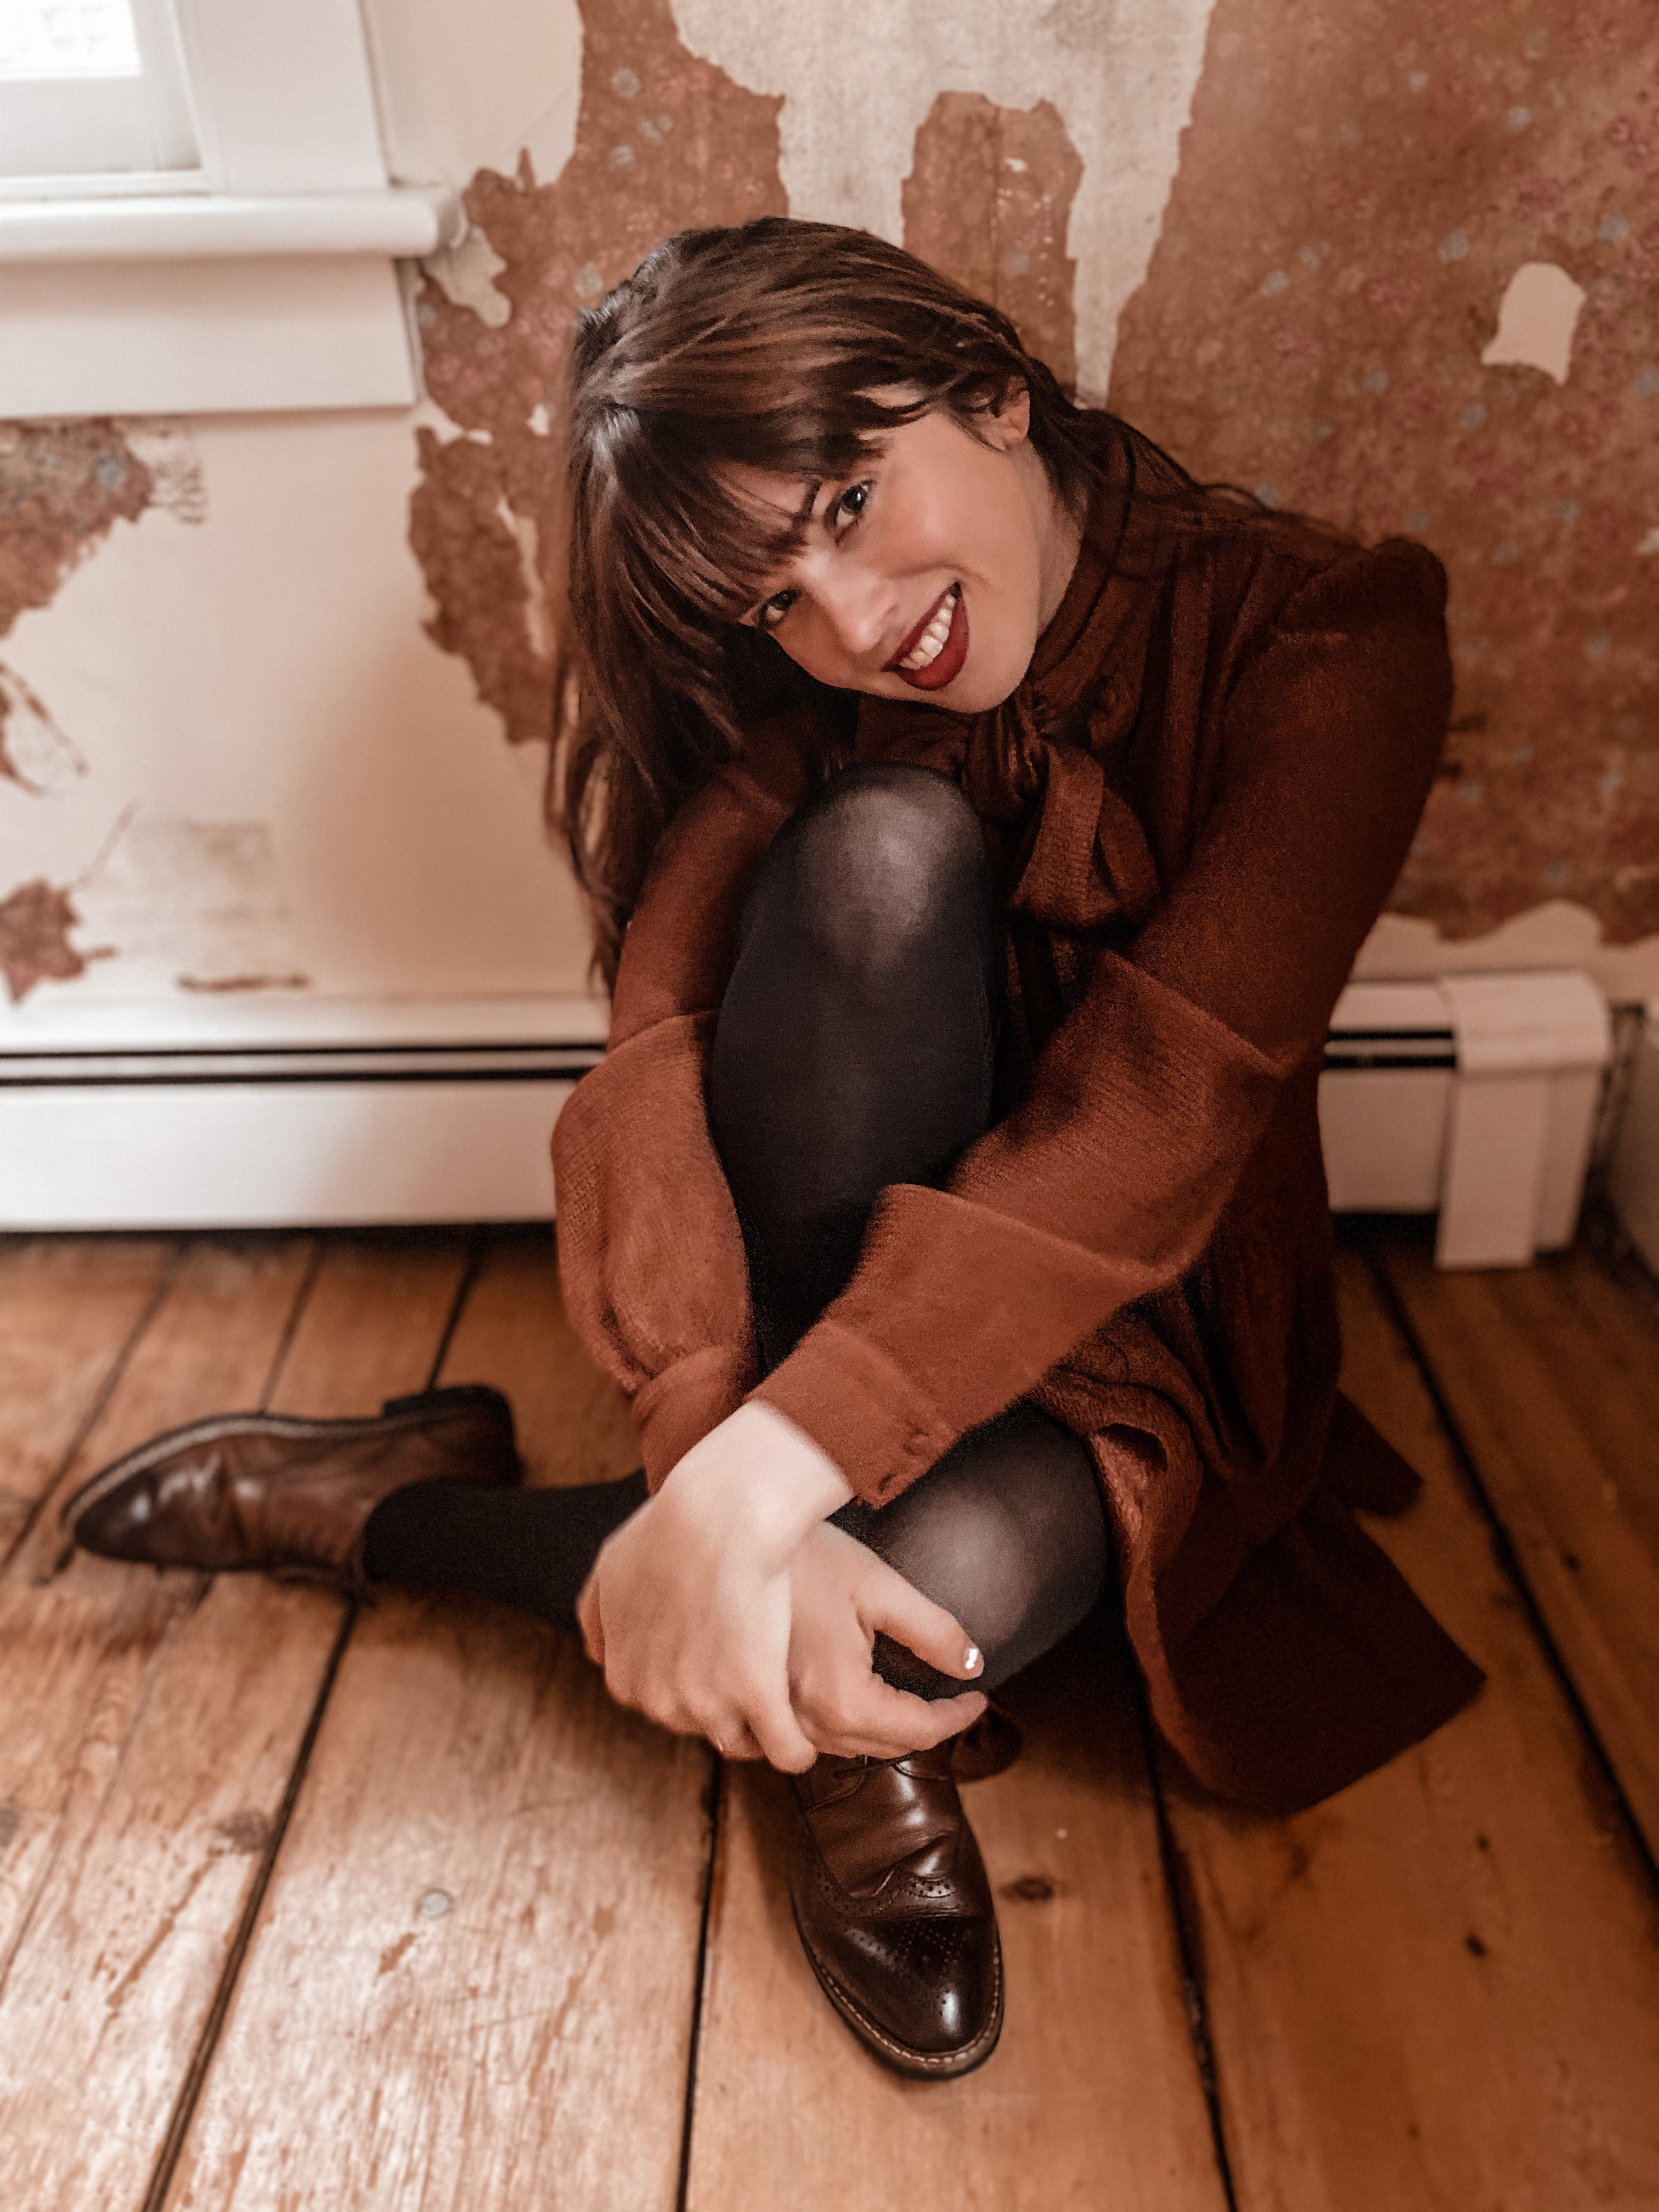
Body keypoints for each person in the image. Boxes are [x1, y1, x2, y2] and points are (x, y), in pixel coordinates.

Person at [67, 217, 1483, 2080]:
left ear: (991, 389)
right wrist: (715, 1458)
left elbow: (1165, 1111)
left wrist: (741, 1511)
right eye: (775, 602)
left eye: (849, 506)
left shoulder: (1333, 639)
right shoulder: (824, 713)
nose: (853, 623)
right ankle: (829, 1713)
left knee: (919, 1624)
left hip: (1142, 1324)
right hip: (820, 1321)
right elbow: (653, 1069)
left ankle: (393, 1513)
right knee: (881, 855)